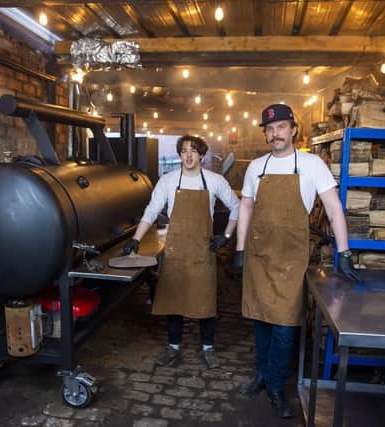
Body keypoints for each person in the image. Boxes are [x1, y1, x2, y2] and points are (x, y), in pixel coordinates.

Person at [234, 104, 360, 418]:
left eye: (281, 127)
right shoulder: (256, 167)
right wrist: (239, 249)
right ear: (265, 133)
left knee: (285, 325)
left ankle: (276, 385)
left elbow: (333, 208)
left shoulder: (311, 164)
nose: (275, 133)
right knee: (261, 318)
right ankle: (262, 373)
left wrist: (344, 252)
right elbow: (246, 209)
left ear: (293, 130)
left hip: (291, 260)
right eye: (269, 128)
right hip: (259, 255)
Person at [123, 135, 240, 369]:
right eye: (184, 151)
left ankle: (208, 349)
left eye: (194, 151)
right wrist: (136, 239)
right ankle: (173, 348)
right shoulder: (168, 181)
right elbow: (152, 210)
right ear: (179, 155)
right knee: (173, 302)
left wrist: (225, 236)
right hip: (176, 251)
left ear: (201, 155)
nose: (188, 155)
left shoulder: (215, 181)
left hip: (202, 251)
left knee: (205, 302)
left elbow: (237, 207)